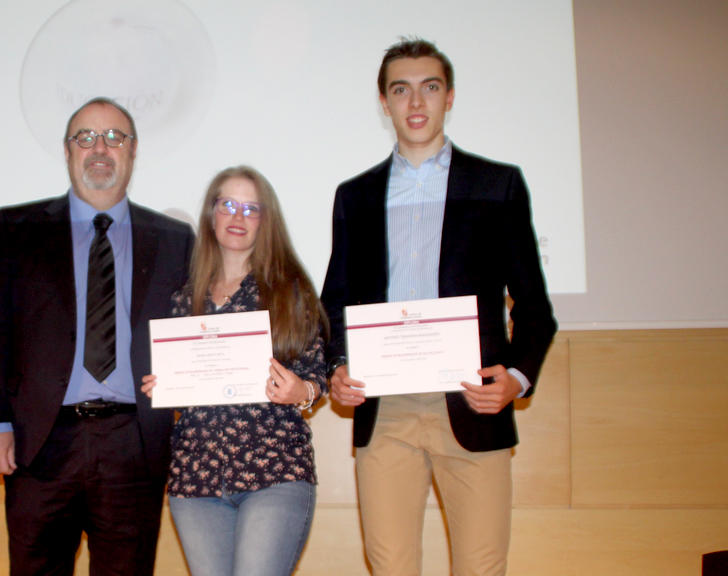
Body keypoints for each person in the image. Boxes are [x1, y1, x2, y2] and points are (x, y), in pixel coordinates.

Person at [320, 38, 557, 576]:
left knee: (481, 567)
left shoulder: (498, 184)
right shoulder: (354, 196)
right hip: (386, 410)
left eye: (429, 87)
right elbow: (336, 300)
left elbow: (535, 306)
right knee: (391, 567)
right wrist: (337, 366)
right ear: (384, 103)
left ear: (449, 96)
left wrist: (517, 378)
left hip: (474, 402)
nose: (416, 102)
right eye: (400, 90)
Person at [0, 97, 194, 576]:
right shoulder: (17, 227)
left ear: (133, 152)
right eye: (86, 137)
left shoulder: (176, 239)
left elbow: (194, 333)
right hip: (39, 442)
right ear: (67, 151)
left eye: (115, 137)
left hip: (134, 442)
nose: (100, 148)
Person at [141, 166, 328, 576]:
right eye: (228, 204)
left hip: (274, 472)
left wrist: (304, 391)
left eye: (251, 208)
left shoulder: (288, 289)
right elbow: (171, 384)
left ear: (266, 220)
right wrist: (163, 387)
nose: (238, 217)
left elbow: (317, 372)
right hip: (196, 480)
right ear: (211, 214)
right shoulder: (181, 298)